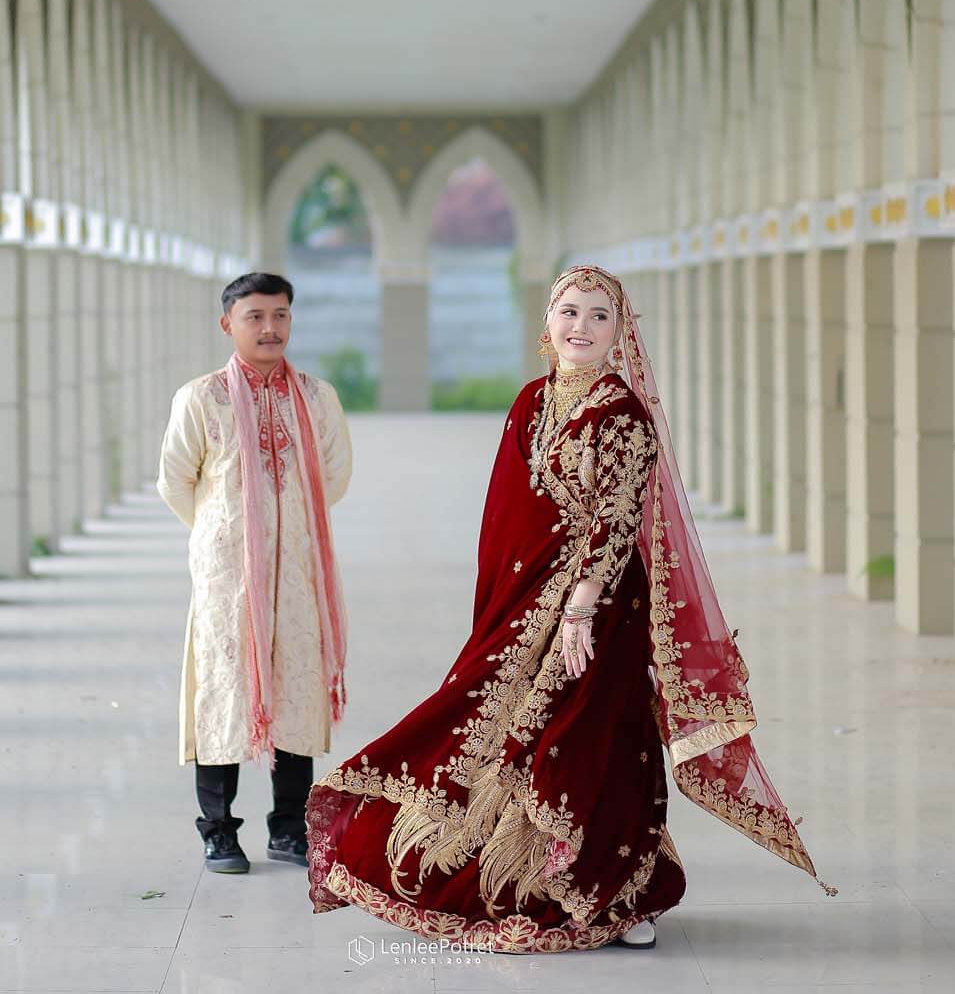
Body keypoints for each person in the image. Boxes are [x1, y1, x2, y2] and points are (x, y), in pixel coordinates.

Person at [307, 263, 834, 952]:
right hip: (525, 601)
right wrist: (503, 608)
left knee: (596, 735)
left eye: (598, 315)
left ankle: (625, 895)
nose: (580, 327)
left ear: (620, 333)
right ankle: (524, 879)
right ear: (546, 321)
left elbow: (617, 520)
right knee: (498, 723)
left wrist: (580, 608)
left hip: (603, 605)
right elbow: (508, 515)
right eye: (569, 311)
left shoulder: (623, 413)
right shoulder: (532, 399)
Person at [157, 271, 352, 874]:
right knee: (223, 690)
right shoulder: (201, 398)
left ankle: (289, 829)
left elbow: (335, 476)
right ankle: (218, 831)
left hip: (299, 570)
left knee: (296, 688)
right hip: (228, 576)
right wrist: (226, 532)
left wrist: (285, 530)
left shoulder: (317, 397)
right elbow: (175, 481)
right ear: (228, 324)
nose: (270, 328)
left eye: (280, 315)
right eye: (256, 316)